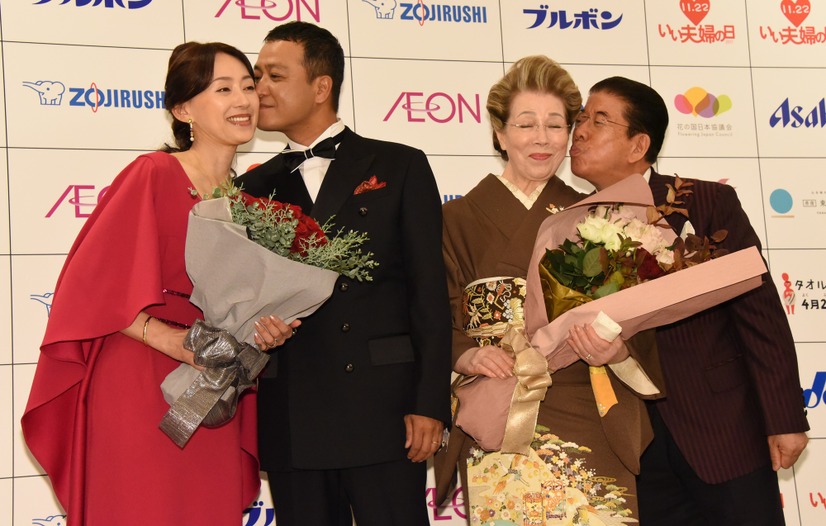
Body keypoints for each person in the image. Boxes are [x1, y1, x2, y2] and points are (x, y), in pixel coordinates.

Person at [21, 42, 296, 525]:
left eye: (248, 87)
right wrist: (167, 338)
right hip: (140, 378)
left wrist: (266, 330)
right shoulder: (152, 173)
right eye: (223, 89)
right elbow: (88, 287)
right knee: (142, 505)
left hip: (213, 382)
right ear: (183, 109)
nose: (243, 100)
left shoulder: (250, 202)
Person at [234, 21, 452, 526]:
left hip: (386, 410)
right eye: (256, 75)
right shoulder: (251, 188)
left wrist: (430, 403)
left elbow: (428, 295)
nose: (258, 88)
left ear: (321, 86)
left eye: (275, 76)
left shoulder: (399, 165)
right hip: (293, 410)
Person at [568, 75, 809, 525]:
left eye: (598, 121)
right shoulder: (570, 226)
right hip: (633, 445)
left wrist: (785, 417)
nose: (579, 131)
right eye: (580, 119)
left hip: (722, 430)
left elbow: (759, 315)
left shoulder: (706, 203)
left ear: (638, 145)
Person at [435, 56, 663, 523]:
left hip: (583, 401)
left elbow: (640, 324)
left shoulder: (601, 216)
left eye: (556, 125)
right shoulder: (452, 220)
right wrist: (465, 355)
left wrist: (617, 349)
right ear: (500, 134)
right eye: (525, 124)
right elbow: (429, 314)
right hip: (495, 404)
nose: (541, 138)